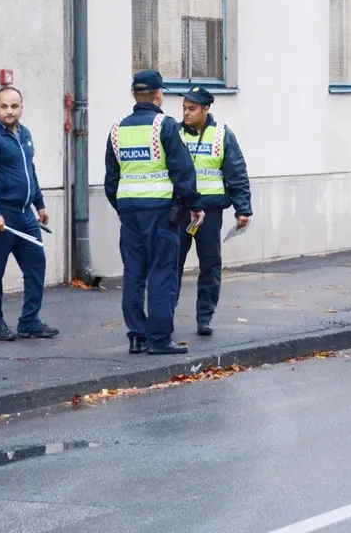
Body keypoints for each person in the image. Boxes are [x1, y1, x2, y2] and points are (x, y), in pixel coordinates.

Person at [104, 70, 204, 355]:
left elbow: (112, 179)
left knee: (134, 274)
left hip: (129, 213)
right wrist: (194, 205)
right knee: (162, 274)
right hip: (161, 212)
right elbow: (183, 171)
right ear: (159, 94)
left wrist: (123, 205)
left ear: (134, 94)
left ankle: (137, 336)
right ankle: (159, 339)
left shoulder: (117, 129)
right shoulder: (165, 126)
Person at [0, 86, 57, 341]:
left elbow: (29, 170)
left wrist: (39, 204)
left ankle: (30, 321)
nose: (9, 111)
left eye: (14, 106)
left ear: (21, 107)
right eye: (4, 106)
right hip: (1, 217)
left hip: (25, 216)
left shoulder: (24, 133)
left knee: (36, 265)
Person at [177, 86, 252, 336]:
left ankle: (205, 317)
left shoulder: (222, 135)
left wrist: (243, 209)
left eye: (192, 109)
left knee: (210, 265)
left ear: (206, 109)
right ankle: (165, 316)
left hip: (210, 212)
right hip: (180, 211)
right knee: (171, 264)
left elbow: (236, 172)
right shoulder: (175, 133)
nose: (186, 113)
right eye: (184, 108)